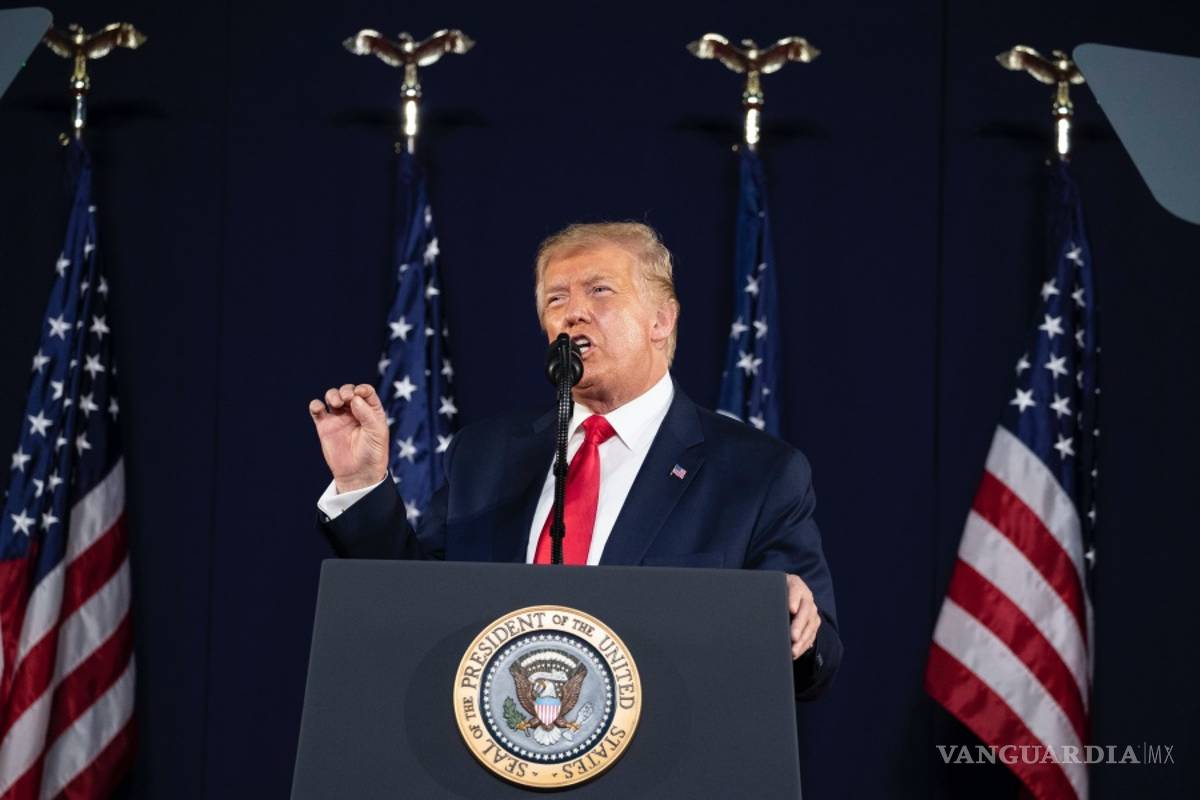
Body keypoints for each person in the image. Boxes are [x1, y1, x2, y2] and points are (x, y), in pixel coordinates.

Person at [308, 222, 842, 698]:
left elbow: (817, 665)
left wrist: (790, 624)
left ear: (661, 319)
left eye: (599, 290)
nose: (573, 313)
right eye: (555, 299)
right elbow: (415, 606)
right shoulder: (485, 456)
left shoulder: (756, 473)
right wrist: (362, 484)